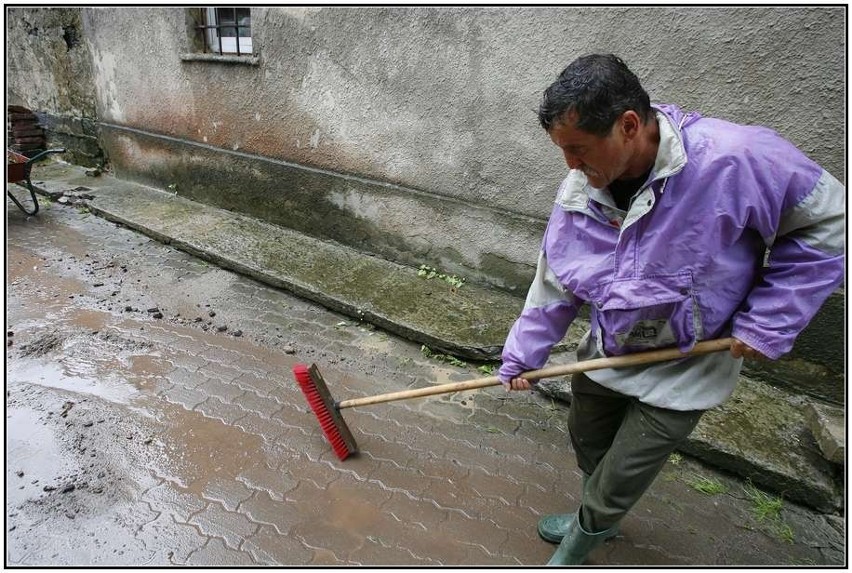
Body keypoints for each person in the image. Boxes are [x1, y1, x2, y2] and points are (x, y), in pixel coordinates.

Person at [497, 54, 845, 566]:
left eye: (579, 149)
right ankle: (600, 516)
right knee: (587, 437)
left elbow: (830, 219)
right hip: (611, 347)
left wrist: (769, 321)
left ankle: (585, 537)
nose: (570, 165)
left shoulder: (736, 159)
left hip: (689, 360)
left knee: (622, 471)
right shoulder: (583, 185)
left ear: (629, 126)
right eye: (563, 151)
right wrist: (525, 353)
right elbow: (555, 275)